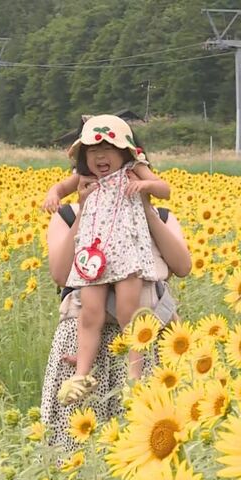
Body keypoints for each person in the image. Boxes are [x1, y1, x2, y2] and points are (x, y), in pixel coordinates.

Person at [40, 168, 191, 452]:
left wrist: (145, 209)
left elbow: (182, 267)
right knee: (76, 446)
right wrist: (86, 210)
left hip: (145, 346)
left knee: (146, 446)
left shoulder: (164, 217)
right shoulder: (67, 216)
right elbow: (61, 275)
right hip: (83, 345)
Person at [42, 115, 171, 405]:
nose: (101, 156)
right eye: (92, 150)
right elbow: (60, 189)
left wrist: (145, 187)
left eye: (109, 148)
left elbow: (165, 189)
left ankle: (134, 377)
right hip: (92, 254)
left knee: (130, 313)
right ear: (83, 155)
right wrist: (52, 196)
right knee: (90, 313)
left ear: (125, 151)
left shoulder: (133, 170)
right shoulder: (84, 179)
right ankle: (81, 375)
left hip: (126, 252)